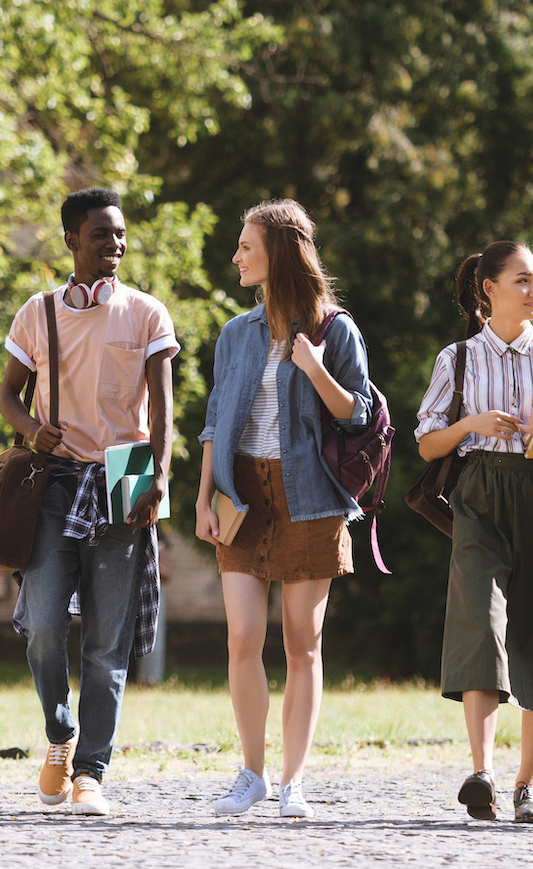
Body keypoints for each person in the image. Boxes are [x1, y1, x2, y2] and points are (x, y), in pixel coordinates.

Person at [0, 187, 177, 817]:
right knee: (44, 625)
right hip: (53, 479)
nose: (115, 245)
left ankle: (91, 774)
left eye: (121, 234)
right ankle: (60, 735)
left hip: (125, 472)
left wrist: (160, 475)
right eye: (101, 234)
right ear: (71, 239)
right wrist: (29, 428)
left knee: (108, 641)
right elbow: (7, 397)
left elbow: (163, 408)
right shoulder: (37, 313)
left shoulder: (148, 313)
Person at [412, 240, 533, 825]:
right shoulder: (458, 359)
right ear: (488, 289)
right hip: (480, 494)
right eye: (523, 280)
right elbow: (425, 442)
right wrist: (469, 423)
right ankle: (482, 773)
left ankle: (526, 785)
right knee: (480, 622)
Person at [194, 199, 373, 819]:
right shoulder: (235, 333)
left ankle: (294, 780)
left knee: (303, 643)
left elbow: (360, 413)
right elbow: (215, 419)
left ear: (279, 252)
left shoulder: (335, 329)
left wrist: (316, 369)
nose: (237, 256)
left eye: (247, 246)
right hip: (241, 493)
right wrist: (203, 498)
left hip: (311, 496)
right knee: (243, 636)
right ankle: (252, 773)